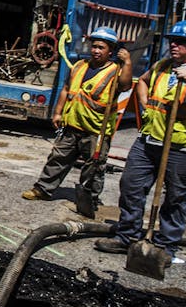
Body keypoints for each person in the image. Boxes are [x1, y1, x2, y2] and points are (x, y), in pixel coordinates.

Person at [93, 20, 186, 260]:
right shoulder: (162, 66)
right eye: (171, 41)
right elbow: (142, 81)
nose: (173, 45)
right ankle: (127, 236)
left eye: (180, 41)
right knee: (131, 186)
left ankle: (165, 247)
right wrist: (144, 105)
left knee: (174, 197)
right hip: (149, 141)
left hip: (183, 147)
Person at [21, 27, 132, 208]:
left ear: (110, 51)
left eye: (101, 48)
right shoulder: (80, 66)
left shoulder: (115, 71)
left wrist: (127, 63)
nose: (96, 50)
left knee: (94, 166)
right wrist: (58, 112)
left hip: (96, 129)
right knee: (58, 158)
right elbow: (66, 89)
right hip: (72, 124)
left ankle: (89, 199)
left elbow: (126, 86)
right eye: (94, 46)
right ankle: (42, 189)